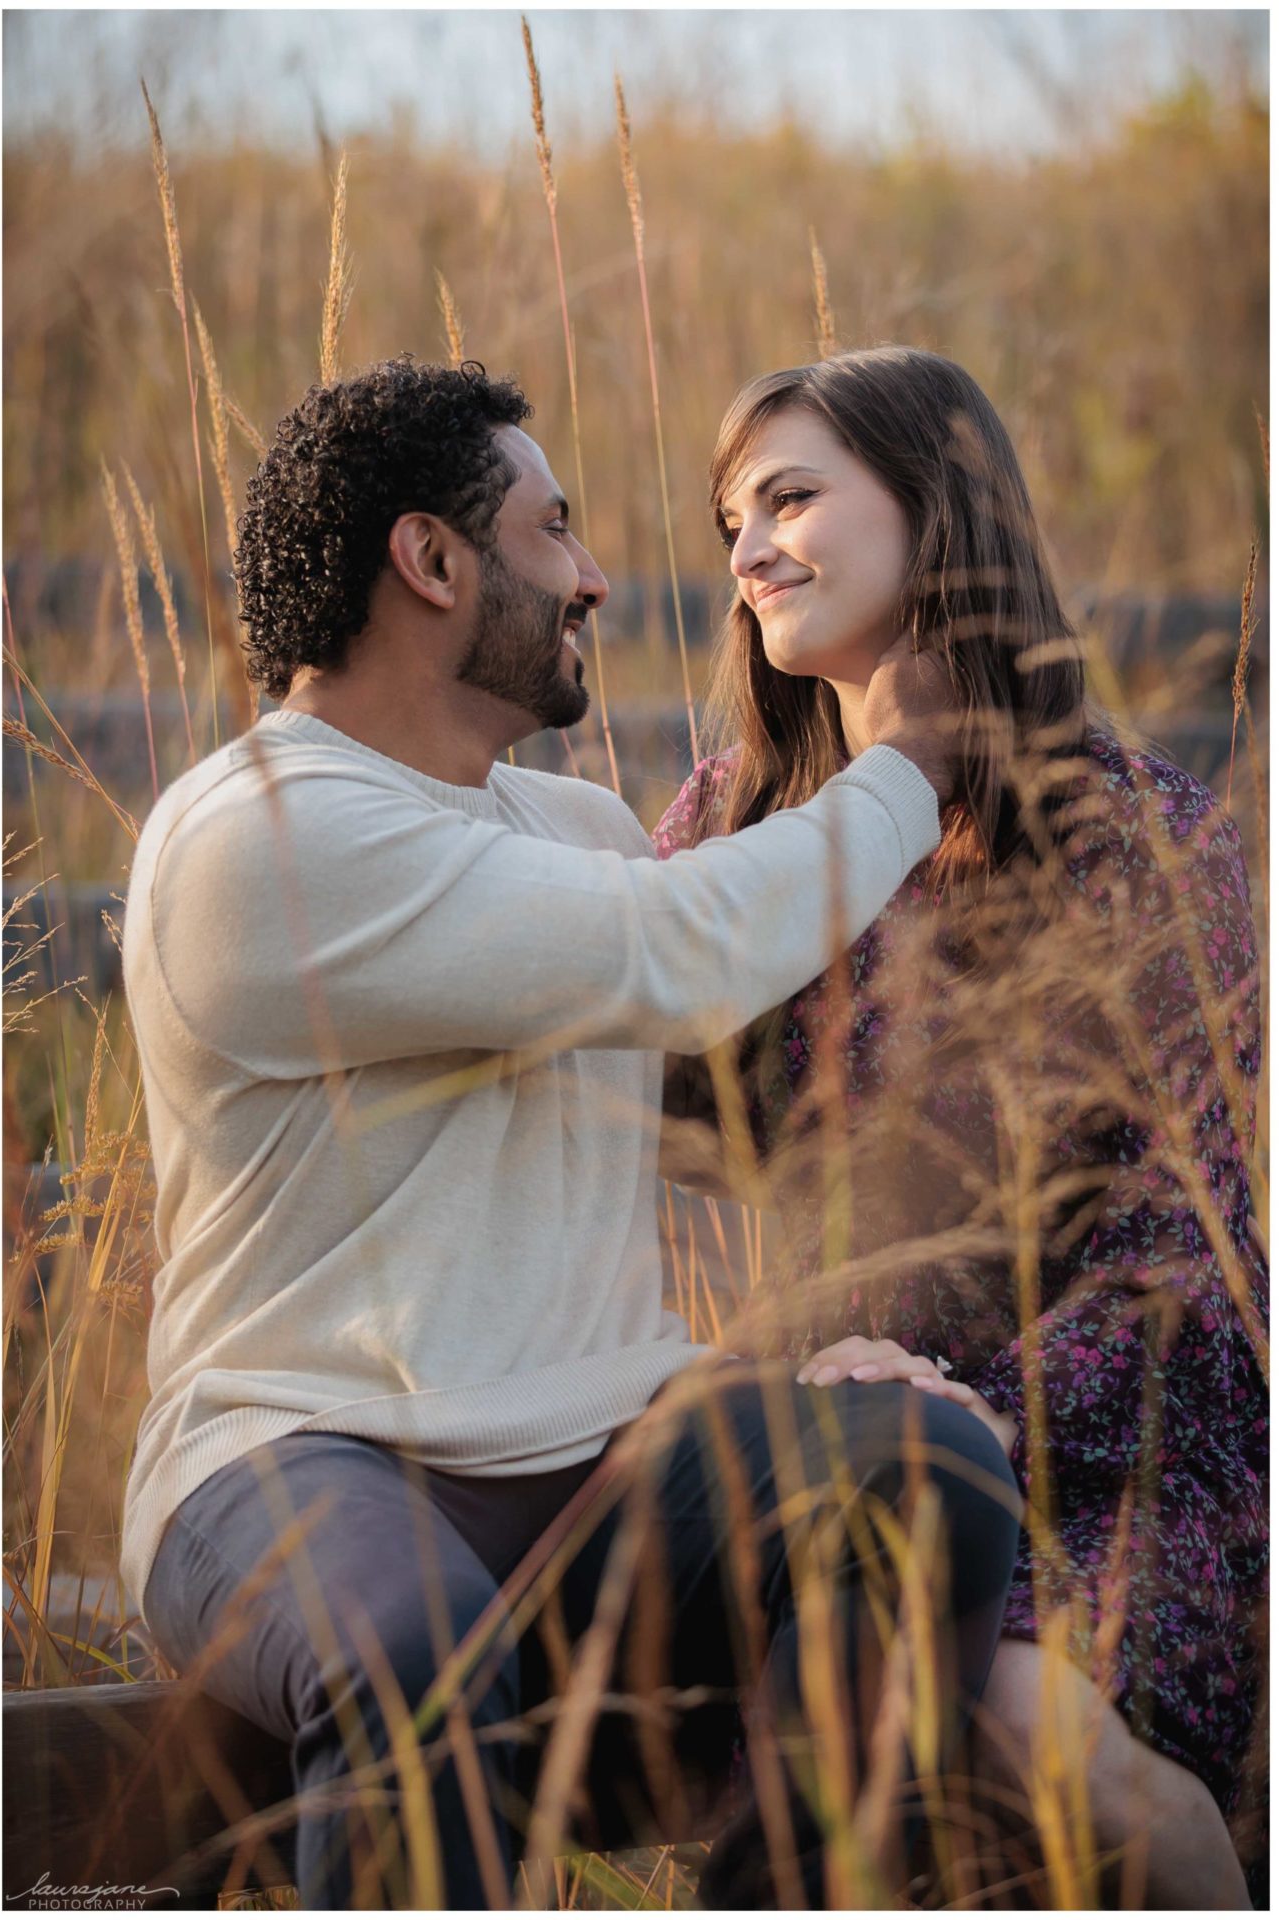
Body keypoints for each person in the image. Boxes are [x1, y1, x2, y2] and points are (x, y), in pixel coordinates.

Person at [121, 356, 1022, 1909]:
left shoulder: (582, 834)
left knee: (919, 1458)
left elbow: (737, 1085)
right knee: (410, 1655)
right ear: (432, 561)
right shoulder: (256, 838)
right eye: (554, 534)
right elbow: (684, 957)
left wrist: (830, 1346)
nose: (599, 578)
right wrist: (910, 761)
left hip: (608, 1459)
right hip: (299, 1456)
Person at [653, 345, 1266, 1907]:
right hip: (815, 1434)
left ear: (936, 506)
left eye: (790, 498)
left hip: (1112, 1436)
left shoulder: (1133, 834)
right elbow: (633, 1123)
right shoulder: (728, 828)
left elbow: (1186, 1234)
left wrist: (984, 1409)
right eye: (731, 517)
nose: (745, 552)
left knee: (1032, 1728)